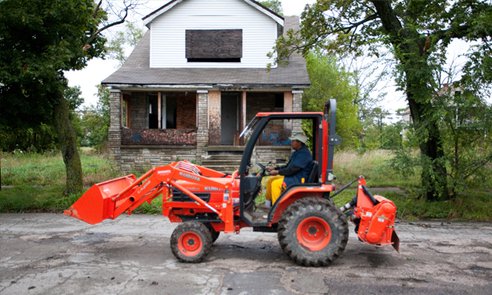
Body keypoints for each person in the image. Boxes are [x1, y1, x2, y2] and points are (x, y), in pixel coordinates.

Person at [264, 132, 312, 207]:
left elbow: (291, 170)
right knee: (270, 180)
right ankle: (267, 205)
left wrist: (278, 172)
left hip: (298, 179)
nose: (291, 143)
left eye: (293, 141)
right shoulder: (297, 153)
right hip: (294, 176)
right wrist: (275, 168)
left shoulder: (304, 154)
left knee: (275, 184)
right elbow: (288, 166)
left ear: (299, 142)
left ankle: (276, 209)